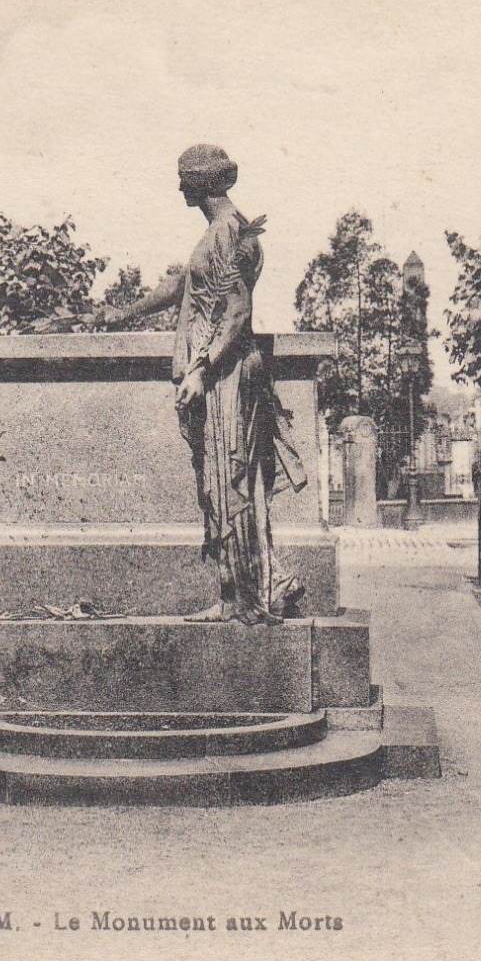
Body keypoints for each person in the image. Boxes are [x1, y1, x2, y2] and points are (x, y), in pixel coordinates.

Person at [93, 144, 305, 624]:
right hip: (218, 375)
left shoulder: (231, 234)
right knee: (220, 485)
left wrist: (201, 368)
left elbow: (238, 312)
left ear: (203, 183)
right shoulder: (219, 233)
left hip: (226, 376)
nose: (179, 187)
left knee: (230, 482)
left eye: (184, 179)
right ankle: (244, 593)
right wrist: (124, 313)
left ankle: (257, 592)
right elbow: (184, 286)